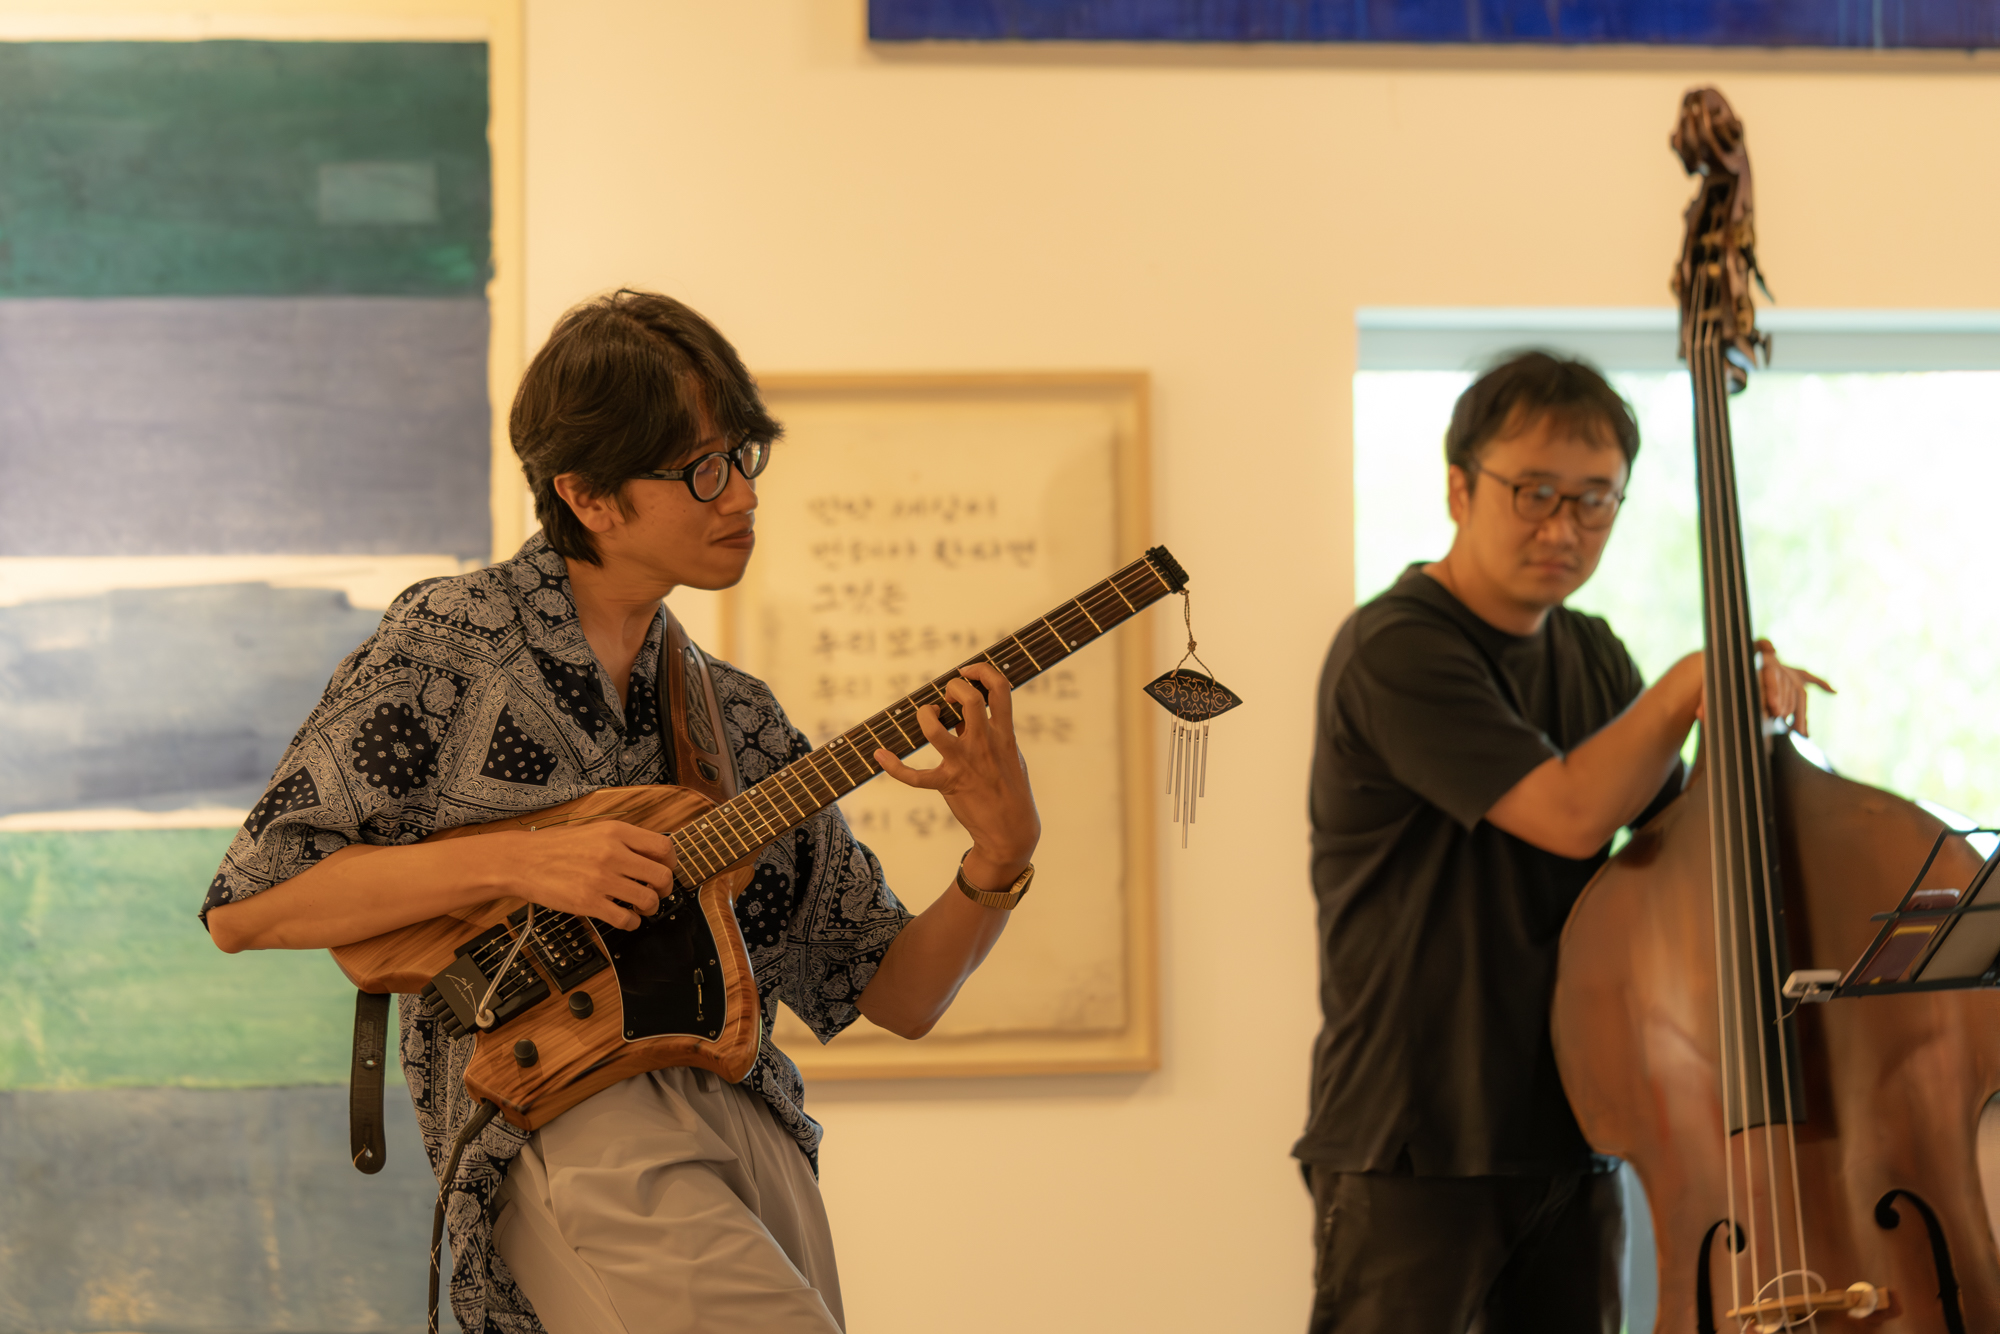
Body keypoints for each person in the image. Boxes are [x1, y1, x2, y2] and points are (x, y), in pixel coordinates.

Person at [202, 289, 1042, 1333]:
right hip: (569, 1117)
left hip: (753, 1125)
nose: (741, 492)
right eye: (701, 468)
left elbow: (900, 990)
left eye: (744, 456)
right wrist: (525, 860)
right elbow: (253, 903)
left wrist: (1000, 854)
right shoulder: (451, 644)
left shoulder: (734, 716)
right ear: (588, 494)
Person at [1295, 351, 1827, 1334]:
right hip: (1415, 1138)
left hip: (1578, 1122)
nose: (1562, 527)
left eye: (1594, 500)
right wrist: (1684, 684)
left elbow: (1675, 853)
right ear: (1458, 488)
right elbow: (1570, 811)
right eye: (1533, 492)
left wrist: (1747, 723)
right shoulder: (1396, 647)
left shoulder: (1590, 652)